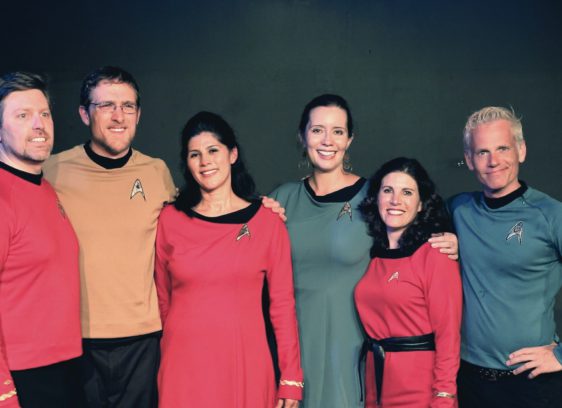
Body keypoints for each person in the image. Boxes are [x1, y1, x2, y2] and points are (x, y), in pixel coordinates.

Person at [271, 94, 458, 407]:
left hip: (352, 353)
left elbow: (415, 236)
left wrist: (453, 239)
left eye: (338, 131)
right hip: (290, 350)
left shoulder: (376, 197)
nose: (327, 140)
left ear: (349, 139)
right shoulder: (282, 199)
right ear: (302, 136)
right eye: (317, 130)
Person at [43, 66, 176, 408]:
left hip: (143, 339)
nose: (119, 116)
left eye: (127, 106)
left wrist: (262, 209)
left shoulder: (157, 172)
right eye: (106, 106)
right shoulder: (52, 171)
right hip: (75, 340)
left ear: (138, 114)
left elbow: (197, 224)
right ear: (84, 114)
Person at [155, 111, 303, 407]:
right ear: (187, 163)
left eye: (213, 150)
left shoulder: (267, 222)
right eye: (194, 154)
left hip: (244, 362)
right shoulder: (169, 219)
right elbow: (162, 300)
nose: (205, 161)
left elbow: (282, 306)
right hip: (183, 365)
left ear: (232, 154)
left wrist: (291, 378)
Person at [450, 106, 562, 407]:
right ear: (469, 159)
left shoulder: (551, 215)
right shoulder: (458, 210)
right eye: (482, 152)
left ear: (521, 151)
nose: (494, 161)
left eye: (502, 148)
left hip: (532, 384)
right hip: (470, 381)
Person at [0, 72, 82, 407]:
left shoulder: (46, 189)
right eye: (23, 115)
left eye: (44, 114)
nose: (39, 125)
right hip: (23, 377)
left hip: (66, 368)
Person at [355, 157, 462, 407]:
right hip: (377, 382)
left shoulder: (435, 254)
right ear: (376, 198)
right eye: (387, 190)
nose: (395, 200)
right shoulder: (372, 256)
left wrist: (444, 396)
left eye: (407, 192)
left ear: (421, 203)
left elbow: (448, 335)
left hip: (420, 387)